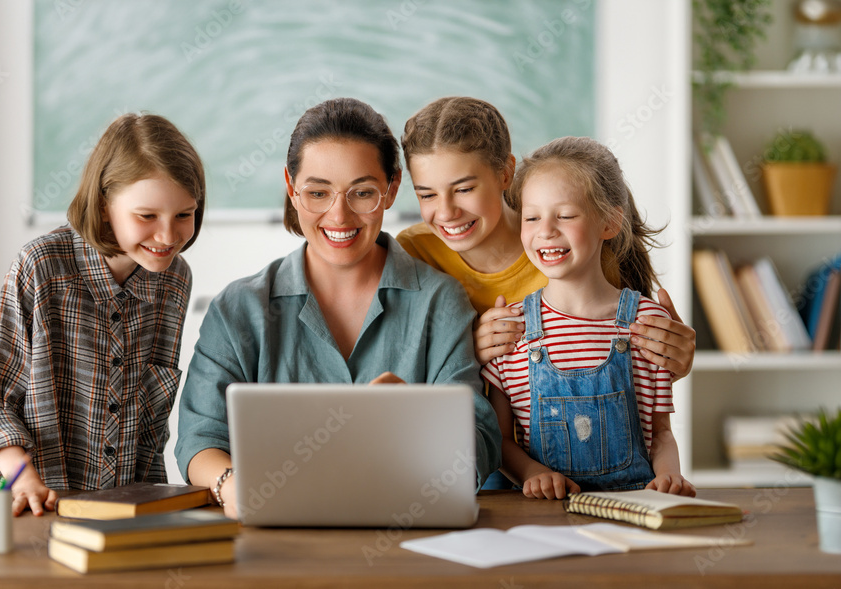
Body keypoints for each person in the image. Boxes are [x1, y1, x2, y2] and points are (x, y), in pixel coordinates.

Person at [174, 97, 501, 519]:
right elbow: (199, 440)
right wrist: (229, 483)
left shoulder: (440, 301)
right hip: (274, 539)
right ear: (292, 189)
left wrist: (420, 424)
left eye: (362, 192)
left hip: (410, 535)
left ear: (392, 188)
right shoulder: (240, 309)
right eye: (317, 192)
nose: (339, 215)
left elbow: (481, 444)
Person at [0, 113, 206, 516]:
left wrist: (154, 503)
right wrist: (23, 478)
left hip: (92, 507)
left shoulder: (173, 281)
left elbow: (150, 425)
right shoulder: (41, 266)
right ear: (102, 207)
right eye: (147, 216)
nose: (168, 236)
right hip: (1, 493)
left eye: (184, 214)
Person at [397, 97, 695, 374]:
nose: (447, 212)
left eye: (463, 189)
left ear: (505, 173)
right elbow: (402, 369)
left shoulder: (569, 250)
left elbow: (621, 374)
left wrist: (673, 362)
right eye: (427, 195)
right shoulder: (412, 253)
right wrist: (463, 351)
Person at [482, 136, 695, 499]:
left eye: (564, 215)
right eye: (532, 217)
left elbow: (661, 435)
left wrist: (669, 477)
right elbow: (500, 441)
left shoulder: (646, 323)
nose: (545, 230)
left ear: (609, 223)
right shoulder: (511, 330)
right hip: (546, 518)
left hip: (635, 511)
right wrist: (533, 472)